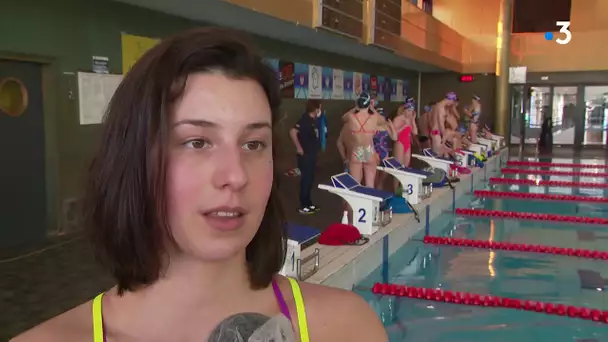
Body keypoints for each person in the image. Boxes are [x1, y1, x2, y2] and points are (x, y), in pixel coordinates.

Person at [12, 27, 387, 342]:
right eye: (197, 142)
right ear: (135, 158)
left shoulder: (347, 328)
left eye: (253, 144)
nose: (236, 175)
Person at [343, 92, 395, 187]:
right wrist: (371, 108)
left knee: (355, 185)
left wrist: (356, 108)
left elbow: (343, 118)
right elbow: (383, 120)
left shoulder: (351, 117)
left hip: (357, 150)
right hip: (368, 150)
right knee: (370, 185)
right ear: (368, 104)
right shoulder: (374, 117)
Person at [290, 99, 322, 215]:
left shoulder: (314, 121)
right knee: (306, 180)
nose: (320, 110)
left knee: (310, 180)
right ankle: (303, 205)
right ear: (315, 109)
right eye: (319, 107)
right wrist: (299, 148)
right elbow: (293, 132)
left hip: (312, 154)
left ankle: (308, 203)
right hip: (306, 156)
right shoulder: (305, 120)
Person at [392, 102, 418, 190]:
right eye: (409, 110)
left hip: (407, 143)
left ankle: (403, 189)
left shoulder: (410, 119)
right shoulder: (398, 119)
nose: (410, 113)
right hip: (399, 143)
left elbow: (415, 132)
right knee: (398, 168)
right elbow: (394, 135)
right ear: (404, 110)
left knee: (406, 168)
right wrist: (404, 125)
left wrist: (413, 120)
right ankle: (395, 190)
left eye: (412, 111)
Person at [429, 92, 457, 157]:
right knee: (437, 157)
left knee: (440, 155)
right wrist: (444, 137)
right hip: (436, 133)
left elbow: (431, 121)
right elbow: (441, 124)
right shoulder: (441, 108)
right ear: (451, 100)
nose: (451, 105)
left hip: (434, 132)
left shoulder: (437, 105)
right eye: (452, 102)